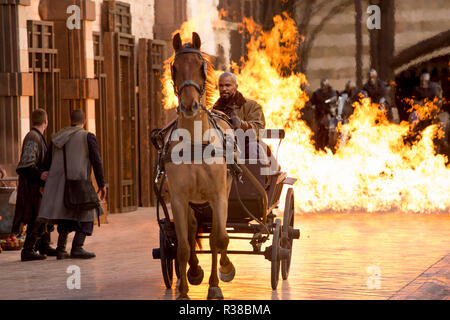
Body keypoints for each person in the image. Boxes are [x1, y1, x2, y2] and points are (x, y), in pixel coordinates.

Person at [38, 109, 106, 260]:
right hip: (80, 183)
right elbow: (97, 161)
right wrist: (102, 184)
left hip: (60, 185)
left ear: (70, 120)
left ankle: (61, 249)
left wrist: (42, 183)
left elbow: (46, 163)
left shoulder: (57, 137)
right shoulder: (87, 136)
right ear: (85, 121)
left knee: (66, 215)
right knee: (88, 214)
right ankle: (77, 247)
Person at [12, 108, 57, 261]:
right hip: (31, 186)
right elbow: (26, 163)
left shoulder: (38, 136)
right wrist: (40, 174)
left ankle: (43, 245)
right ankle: (28, 249)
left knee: (44, 214)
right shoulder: (32, 137)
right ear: (46, 121)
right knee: (37, 215)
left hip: (38, 186)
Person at [212, 72, 268, 162]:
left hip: (245, 148)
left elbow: (259, 129)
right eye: (221, 86)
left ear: (236, 87)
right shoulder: (213, 111)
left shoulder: (251, 105)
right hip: (222, 150)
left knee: (253, 147)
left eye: (228, 85)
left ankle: (256, 175)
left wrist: (242, 125)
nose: (224, 89)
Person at [310, 78, 338, 150]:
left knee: (331, 130)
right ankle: (319, 145)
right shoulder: (317, 93)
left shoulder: (331, 92)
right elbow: (312, 102)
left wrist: (330, 106)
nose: (323, 87)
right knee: (319, 131)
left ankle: (330, 145)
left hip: (329, 114)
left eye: (324, 85)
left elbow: (335, 100)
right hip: (319, 114)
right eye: (322, 85)